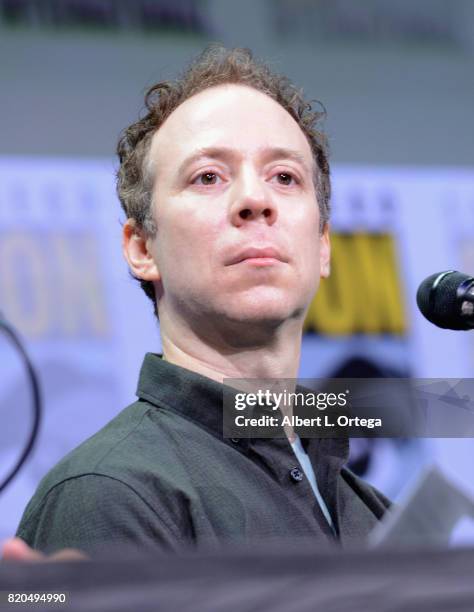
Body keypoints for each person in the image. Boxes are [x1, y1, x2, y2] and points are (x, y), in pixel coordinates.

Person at [2, 45, 390, 559]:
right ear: (142, 248)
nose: (257, 200)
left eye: (285, 177)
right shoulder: (110, 494)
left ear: (322, 246)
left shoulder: (373, 512)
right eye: (208, 176)